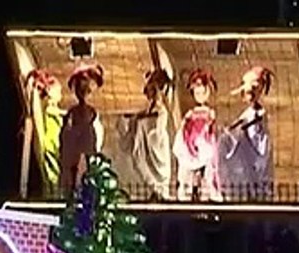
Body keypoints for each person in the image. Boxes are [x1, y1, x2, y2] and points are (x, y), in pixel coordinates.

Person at [218, 66, 275, 201]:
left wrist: (238, 129)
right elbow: (240, 123)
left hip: (256, 144)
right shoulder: (248, 113)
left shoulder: (259, 113)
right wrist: (231, 129)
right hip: (248, 144)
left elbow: (252, 124)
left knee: (256, 171)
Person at [118, 68, 174, 200]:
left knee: (158, 172)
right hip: (146, 145)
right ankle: (153, 191)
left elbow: (155, 124)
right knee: (141, 166)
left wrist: (140, 121)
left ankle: (159, 193)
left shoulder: (161, 110)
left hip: (155, 144)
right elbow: (143, 116)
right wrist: (135, 120)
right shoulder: (149, 109)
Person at [173, 68, 223, 202]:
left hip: (204, 145)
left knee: (208, 174)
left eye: (202, 92)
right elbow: (185, 128)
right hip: (190, 144)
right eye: (197, 92)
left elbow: (211, 129)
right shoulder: (191, 114)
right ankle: (188, 194)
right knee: (187, 174)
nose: (199, 95)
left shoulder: (209, 113)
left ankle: (207, 197)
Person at [58, 63, 105, 196]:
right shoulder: (73, 113)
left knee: (87, 171)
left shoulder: (92, 113)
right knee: (74, 173)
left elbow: (96, 132)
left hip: (87, 142)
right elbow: (66, 133)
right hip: (74, 146)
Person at [24, 69, 64, 199]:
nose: (61, 95)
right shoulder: (50, 110)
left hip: (54, 147)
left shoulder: (52, 110)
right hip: (52, 147)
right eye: (59, 91)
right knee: (54, 180)